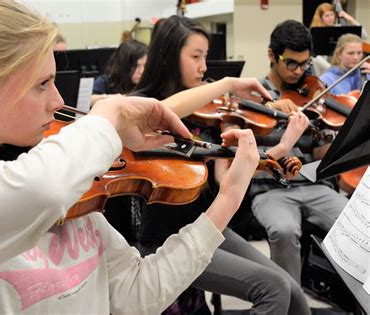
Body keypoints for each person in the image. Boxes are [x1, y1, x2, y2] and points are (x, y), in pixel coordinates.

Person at [0, 1, 262, 314]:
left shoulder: (61, 176)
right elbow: (36, 193)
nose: (58, 101)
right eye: (43, 84)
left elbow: (135, 292)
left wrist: (227, 200)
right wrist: (109, 119)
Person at [127, 15, 311, 315]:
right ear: (169, 57)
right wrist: (226, 84)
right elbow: (161, 112)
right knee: (273, 289)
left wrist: (281, 147)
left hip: (208, 225)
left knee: (293, 291)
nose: (204, 67)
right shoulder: (145, 104)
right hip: (168, 240)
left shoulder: (207, 113)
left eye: (206, 57)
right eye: (196, 57)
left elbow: (227, 177)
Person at [253, 19, 348, 284]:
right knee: (284, 230)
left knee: (358, 222)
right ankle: (289, 300)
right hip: (269, 189)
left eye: (305, 63)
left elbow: (320, 156)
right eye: (291, 63)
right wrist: (272, 109)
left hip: (310, 185)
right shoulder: (254, 95)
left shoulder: (311, 95)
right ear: (272, 55)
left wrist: (333, 130)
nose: (298, 71)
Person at [309, 2, 368, 76]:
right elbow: (316, 56)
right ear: (321, 18)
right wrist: (333, 69)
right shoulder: (316, 32)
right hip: (323, 69)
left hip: (340, 68)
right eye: (327, 16)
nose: (330, 18)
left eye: (332, 14)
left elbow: (364, 36)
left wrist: (350, 19)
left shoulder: (339, 28)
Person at [91, 39, 148, 105]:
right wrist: (111, 98)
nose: (142, 71)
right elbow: (90, 99)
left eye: (145, 65)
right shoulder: (105, 82)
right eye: (136, 66)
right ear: (124, 65)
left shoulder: (147, 83)